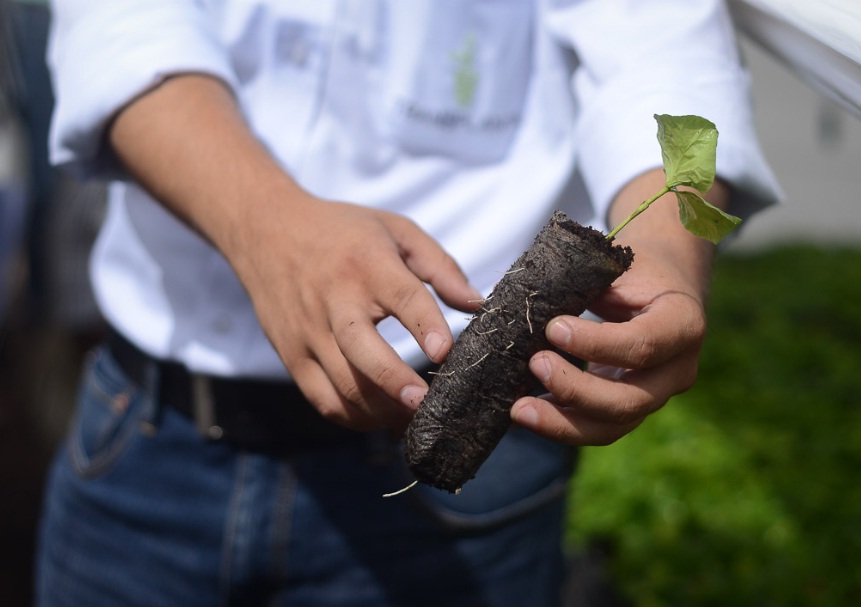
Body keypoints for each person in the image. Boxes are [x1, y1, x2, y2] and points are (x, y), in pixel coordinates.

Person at [37, 1, 781, 606]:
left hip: (469, 462)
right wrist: (264, 225)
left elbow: (659, 40)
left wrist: (666, 246)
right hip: (145, 444)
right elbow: (120, 22)